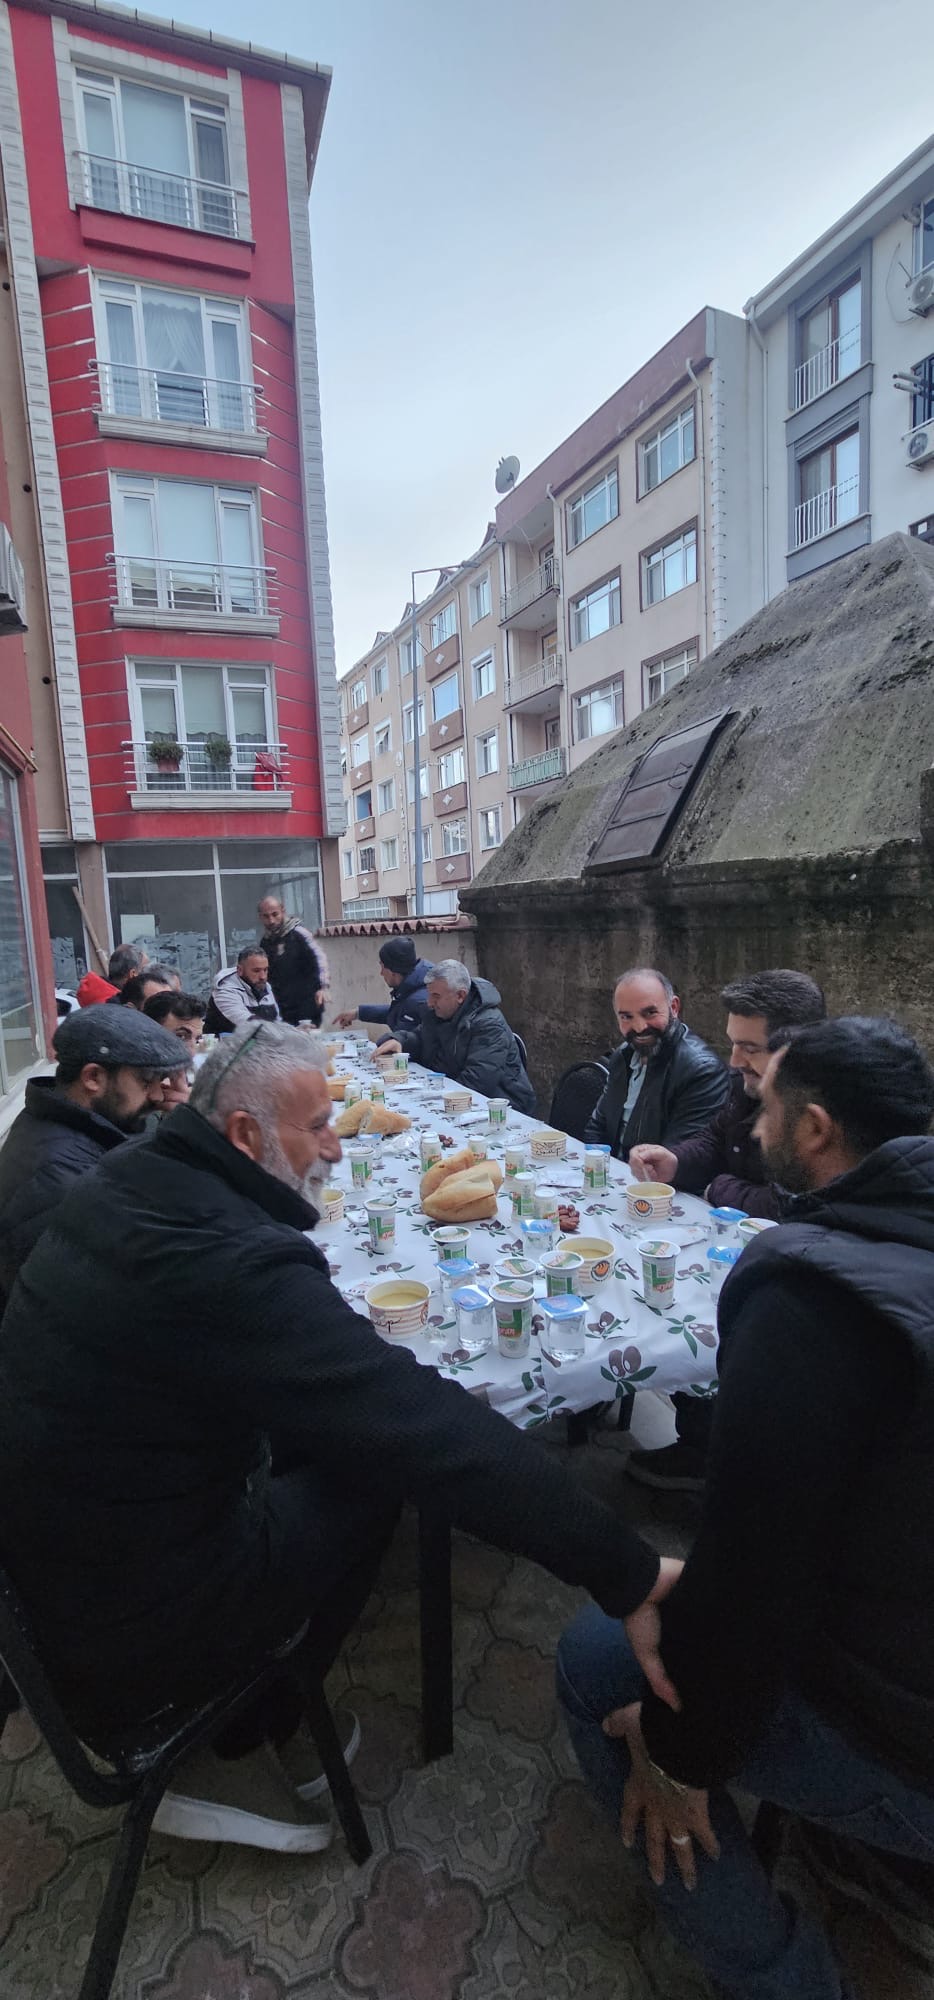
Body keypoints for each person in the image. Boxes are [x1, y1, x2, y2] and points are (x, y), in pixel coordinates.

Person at [0, 1021, 679, 1855]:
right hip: (131, 1629)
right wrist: (628, 1569)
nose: (334, 1145)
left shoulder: (135, 1176)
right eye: (317, 1125)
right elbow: (420, 1428)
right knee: (377, 1471)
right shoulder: (226, 1259)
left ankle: (269, 1704)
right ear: (245, 1133)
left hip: (72, 1552)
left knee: (343, 1442)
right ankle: (242, 1729)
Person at [558, 1016, 934, 2000]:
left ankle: (780, 1974)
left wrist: (680, 1754)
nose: (750, 1117)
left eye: (764, 1104)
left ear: (812, 1128)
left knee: (598, 1665)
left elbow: (750, 1579)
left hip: (904, 1734)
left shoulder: (808, 1296)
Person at [626, 967, 826, 1492]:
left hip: (792, 1277)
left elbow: (794, 1203)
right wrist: (672, 1159)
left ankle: (717, 1461)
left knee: (698, 1313)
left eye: (749, 1048)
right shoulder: (749, 1086)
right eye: (733, 1044)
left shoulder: (819, 1108)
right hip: (739, 1249)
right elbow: (715, 1142)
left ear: (794, 1050)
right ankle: (699, 1441)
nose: (733, 1060)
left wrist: (718, 1189)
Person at [0, 1006, 189, 1306]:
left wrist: (185, 1129)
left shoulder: (71, 1122)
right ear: (93, 1078)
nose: (158, 1095)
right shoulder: (61, 1179)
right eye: (147, 1080)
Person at [585, 968, 727, 1160]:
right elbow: (597, 1127)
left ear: (674, 1007)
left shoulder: (701, 1070)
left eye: (650, 1013)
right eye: (626, 1017)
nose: (639, 1027)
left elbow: (679, 1158)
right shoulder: (623, 1055)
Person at [379, 960, 536, 1113]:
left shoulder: (489, 1025)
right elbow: (420, 1037)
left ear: (460, 995)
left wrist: (432, 1099)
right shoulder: (438, 1013)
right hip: (453, 1096)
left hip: (501, 1107)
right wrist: (398, 1040)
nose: (429, 1003)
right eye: (429, 995)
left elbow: (476, 1082)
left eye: (436, 996)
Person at [333, 936, 432, 1043]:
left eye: (382, 967)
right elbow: (397, 1013)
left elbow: (402, 1040)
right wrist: (358, 1013)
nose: (381, 973)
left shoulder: (419, 1001)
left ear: (393, 971)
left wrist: (382, 1045)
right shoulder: (412, 988)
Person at [258, 894, 328, 1028]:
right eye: (266, 916)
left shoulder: (299, 933)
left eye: (275, 914)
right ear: (260, 917)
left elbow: (320, 959)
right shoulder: (265, 942)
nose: (271, 920)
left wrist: (323, 987)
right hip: (281, 1008)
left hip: (307, 1006)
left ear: (283, 911)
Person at [203, 948, 280, 1036]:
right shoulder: (224, 990)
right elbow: (249, 1023)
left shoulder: (264, 986)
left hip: (258, 1045)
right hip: (223, 1047)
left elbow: (277, 1020)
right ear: (240, 970)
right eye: (256, 971)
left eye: (265, 970)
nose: (263, 976)